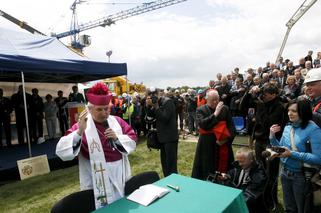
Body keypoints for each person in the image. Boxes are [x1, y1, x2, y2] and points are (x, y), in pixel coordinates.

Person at [56, 82, 137, 209]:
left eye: (107, 108)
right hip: (95, 176)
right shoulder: (82, 125)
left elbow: (132, 140)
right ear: (90, 109)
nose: (104, 113)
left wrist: (117, 138)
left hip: (119, 172)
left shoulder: (117, 121)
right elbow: (62, 151)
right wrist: (79, 132)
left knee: (122, 206)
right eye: (99, 109)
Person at [270, 99, 321, 213]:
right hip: (285, 172)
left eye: (294, 111)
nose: (289, 113)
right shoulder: (288, 127)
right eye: (288, 110)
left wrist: (292, 154)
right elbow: (281, 148)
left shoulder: (314, 130)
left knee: (302, 209)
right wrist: (272, 136)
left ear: (303, 112)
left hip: (302, 176)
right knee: (289, 208)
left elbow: (318, 158)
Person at [192, 90, 236, 180]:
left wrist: (226, 140)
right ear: (206, 99)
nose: (216, 102)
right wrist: (215, 114)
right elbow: (202, 125)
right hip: (207, 144)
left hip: (222, 142)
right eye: (213, 100)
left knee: (224, 168)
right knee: (206, 167)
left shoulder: (225, 109)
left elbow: (231, 127)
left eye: (217, 99)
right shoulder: (200, 109)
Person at [220, 147, 267, 213]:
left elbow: (248, 197)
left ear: (251, 160)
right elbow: (232, 173)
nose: (239, 164)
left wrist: (228, 182)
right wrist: (226, 177)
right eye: (238, 161)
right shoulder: (240, 166)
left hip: (253, 208)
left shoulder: (259, 176)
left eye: (242, 161)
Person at [146, 89, 178, 177]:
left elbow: (165, 118)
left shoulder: (168, 102)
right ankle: (167, 180)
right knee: (164, 163)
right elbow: (149, 118)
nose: (153, 97)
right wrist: (149, 106)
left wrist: (156, 107)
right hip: (162, 138)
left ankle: (174, 180)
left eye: (154, 95)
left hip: (170, 137)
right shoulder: (156, 103)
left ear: (158, 94)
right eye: (151, 96)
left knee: (171, 164)